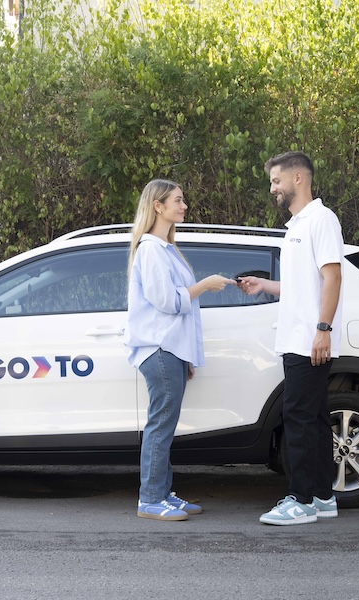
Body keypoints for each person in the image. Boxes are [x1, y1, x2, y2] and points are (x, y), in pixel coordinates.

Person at [238, 151, 344, 525]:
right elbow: (304, 285)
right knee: (313, 418)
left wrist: (323, 330)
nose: (273, 189)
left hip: (309, 340)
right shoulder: (296, 226)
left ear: (298, 178)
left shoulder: (321, 220)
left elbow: (333, 277)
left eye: (276, 181)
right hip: (296, 339)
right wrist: (264, 284)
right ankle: (322, 496)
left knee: (297, 417)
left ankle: (300, 500)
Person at [124, 179, 234, 521]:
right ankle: (151, 499)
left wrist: (184, 354)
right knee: (160, 424)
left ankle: (161, 493)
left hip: (169, 349)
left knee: (165, 424)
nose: (184, 206)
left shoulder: (165, 249)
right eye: (178, 200)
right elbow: (167, 302)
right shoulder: (152, 250)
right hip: (158, 349)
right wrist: (205, 285)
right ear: (158, 206)